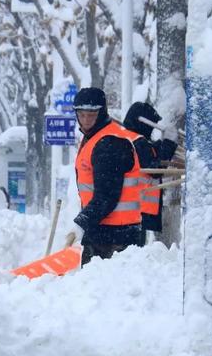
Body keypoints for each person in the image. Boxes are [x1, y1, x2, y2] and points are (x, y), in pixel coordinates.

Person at [65, 87, 143, 266]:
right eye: (81, 115)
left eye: (91, 115)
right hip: (104, 231)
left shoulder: (109, 144)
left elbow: (107, 196)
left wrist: (81, 224)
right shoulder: (96, 137)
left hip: (116, 239)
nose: (85, 121)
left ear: (102, 113)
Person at [123, 102, 179, 246]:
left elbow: (153, 154)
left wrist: (165, 143)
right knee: (132, 253)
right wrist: (168, 143)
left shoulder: (129, 139)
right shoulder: (136, 141)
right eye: (152, 124)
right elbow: (154, 167)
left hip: (130, 210)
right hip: (135, 209)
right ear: (143, 122)